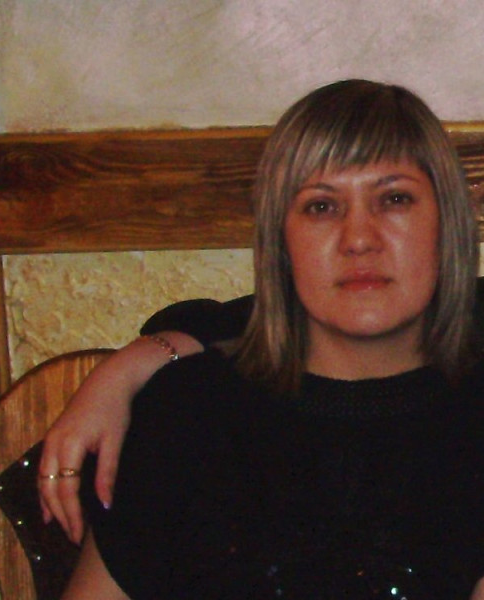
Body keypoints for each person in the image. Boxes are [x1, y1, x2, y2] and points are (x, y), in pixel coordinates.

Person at [38, 79, 484, 599]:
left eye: (394, 199)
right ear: (281, 241)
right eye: (321, 207)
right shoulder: (189, 415)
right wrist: (130, 366)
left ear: (447, 224)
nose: (360, 239)